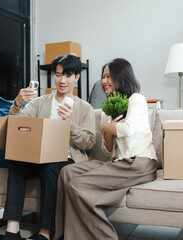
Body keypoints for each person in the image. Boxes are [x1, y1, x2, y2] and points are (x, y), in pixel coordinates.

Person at [54, 58, 157, 240]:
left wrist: (104, 128)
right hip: (118, 162)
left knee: (77, 185)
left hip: (139, 163)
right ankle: (62, 234)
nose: (104, 81)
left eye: (109, 76)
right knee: (67, 172)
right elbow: (108, 150)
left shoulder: (136, 99)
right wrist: (108, 130)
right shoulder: (108, 108)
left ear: (121, 77)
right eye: (103, 76)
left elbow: (127, 129)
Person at [3, 55, 95, 240]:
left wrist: (70, 124)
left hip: (65, 158)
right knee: (15, 161)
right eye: (58, 74)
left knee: (50, 168)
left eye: (68, 75)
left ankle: (45, 232)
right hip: (37, 155)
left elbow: (89, 142)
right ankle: (12, 230)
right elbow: (16, 123)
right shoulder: (41, 102)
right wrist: (17, 103)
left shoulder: (85, 108)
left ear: (77, 77)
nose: (62, 80)